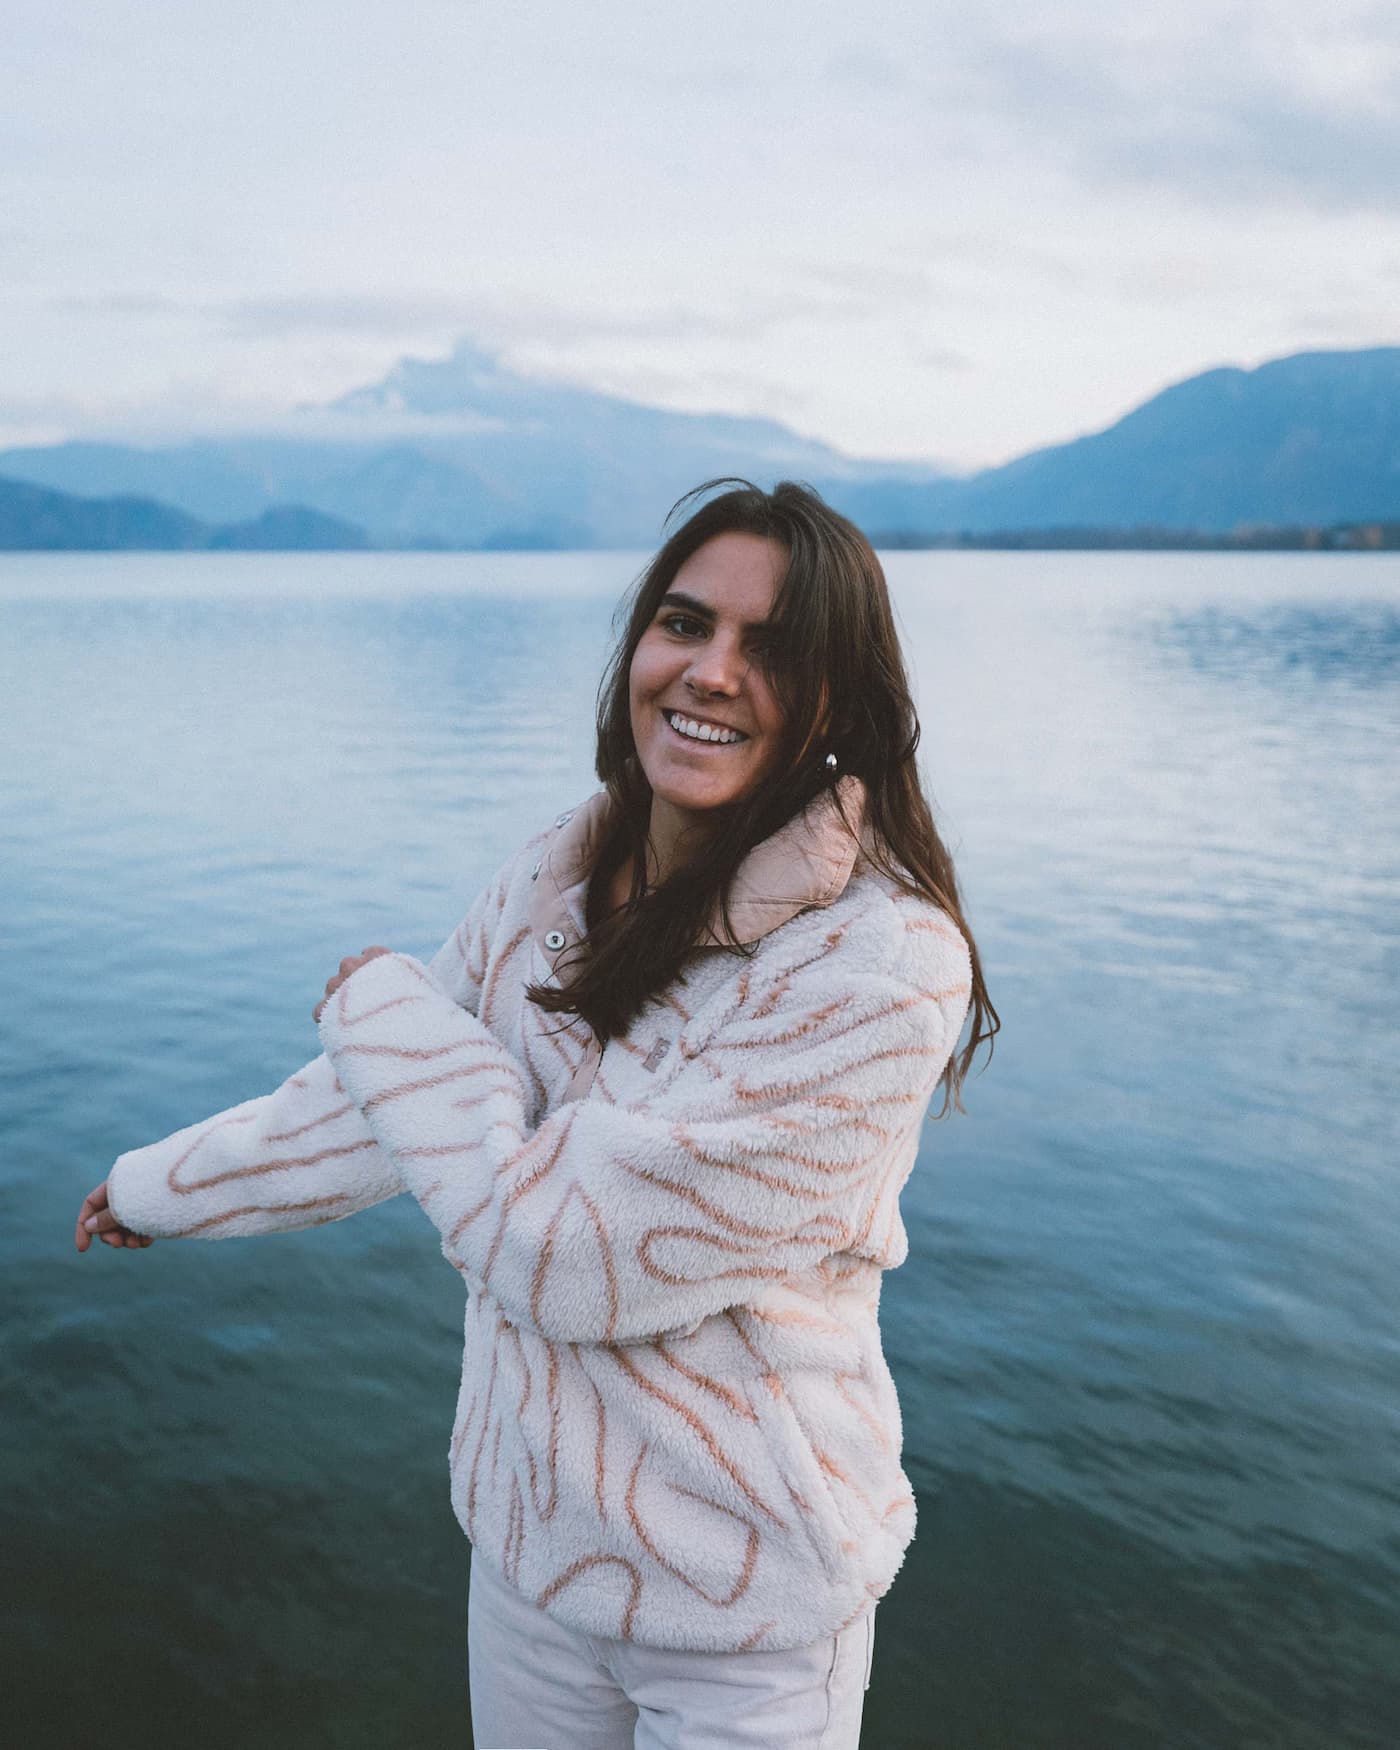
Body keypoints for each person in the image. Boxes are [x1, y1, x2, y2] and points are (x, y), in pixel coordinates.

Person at [75, 478, 998, 1749]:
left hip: (746, 1609)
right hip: (532, 1547)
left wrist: (379, 1006)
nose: (710, 671)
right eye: (683, 623)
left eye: (770, 649)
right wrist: (166, 1187)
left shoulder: (878, 967)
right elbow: (390, 1110)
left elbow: (566, 1255)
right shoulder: (564, 868)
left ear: (839, 702)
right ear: (636, 647)